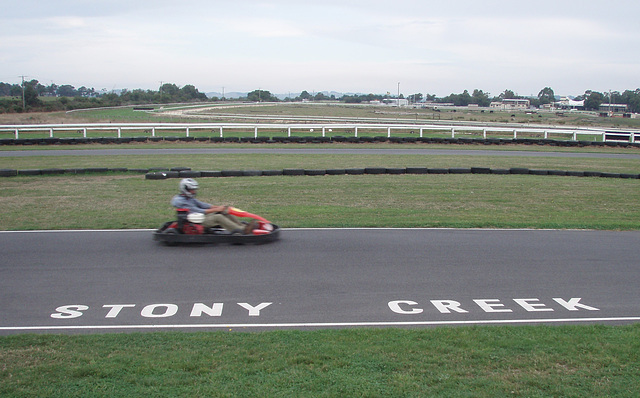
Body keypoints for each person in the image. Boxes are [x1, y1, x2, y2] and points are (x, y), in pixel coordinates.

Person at [171, 178, 258, 234]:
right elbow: (198, 210)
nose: (193, 191)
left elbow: (202, 205)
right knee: (218, 217)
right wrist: (216, 209)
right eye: (191, 190)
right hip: (195, 221)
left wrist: (218, 207)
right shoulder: (181, 201)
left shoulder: (189, 198)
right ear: (185, 189)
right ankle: (242, 230)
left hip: (200, 217)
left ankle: (242, 227)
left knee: (223, 212)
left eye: (194, 189)